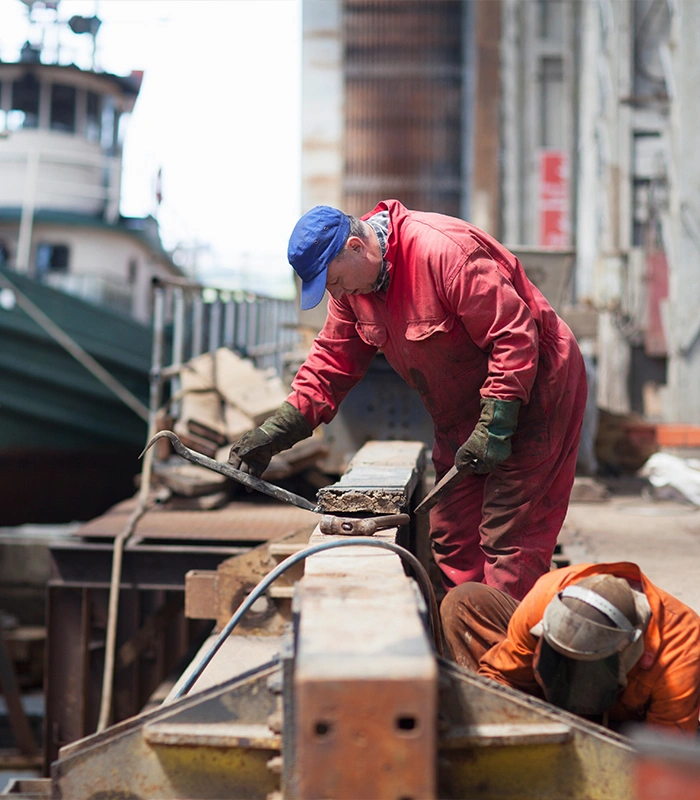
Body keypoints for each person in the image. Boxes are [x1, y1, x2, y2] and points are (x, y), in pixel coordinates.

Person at [228, 199, 587, 600]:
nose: (336, 293)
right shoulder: (353, 291)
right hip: (462, 407)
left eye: (334, 281)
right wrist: (276, 433)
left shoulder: (442, 252)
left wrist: (498, 420)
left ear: (355, 246)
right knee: (453, 533)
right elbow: (330, 362)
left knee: (511, 535)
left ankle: (504, 656)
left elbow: (514, 337)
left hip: (537, 389)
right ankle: (466, 636)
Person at [440, 561, 700, 733]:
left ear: (627, 649)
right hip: (541, 706)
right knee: (466, 601)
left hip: (621, 732)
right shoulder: (545, 598)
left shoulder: (680, 650)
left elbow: (664, 754)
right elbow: (501, 676)